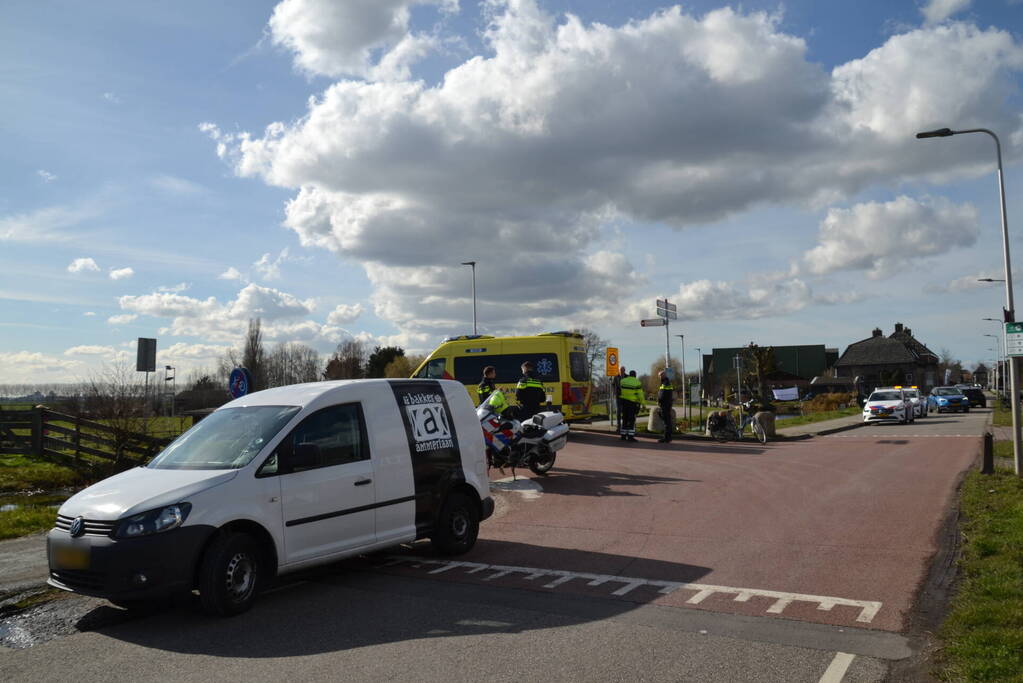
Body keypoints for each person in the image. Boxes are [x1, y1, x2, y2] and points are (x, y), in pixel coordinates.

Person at [618, 370, 644, 442]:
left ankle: (623, 436)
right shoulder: (637, 382)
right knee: (631, 420)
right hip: (632, 404)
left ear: (629, 375)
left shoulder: (623, 381)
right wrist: (643, 404)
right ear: (635, 375)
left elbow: (619, 391)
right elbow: (640, 395)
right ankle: (630, 436)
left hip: (624, 403)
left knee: (625, 419)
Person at [656, 370, 674, 443]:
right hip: (667, 404)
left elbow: (662, 394)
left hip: (665, 404)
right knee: (667, 421)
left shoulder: (665, 383)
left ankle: (667, 438)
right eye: (659, 375)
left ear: (664, 375)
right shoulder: (665, 382)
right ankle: (668, 437)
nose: (660, 377)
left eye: (661, 375)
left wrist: (659, 401)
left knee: (666, 422)